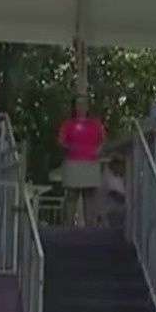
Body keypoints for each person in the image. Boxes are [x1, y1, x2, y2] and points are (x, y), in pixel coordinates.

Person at [57, 95, 105, 227]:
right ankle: (68, 225)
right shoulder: (68, 124)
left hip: (91, 162)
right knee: (72, 194)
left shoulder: (95, 124)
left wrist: (99, 150)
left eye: (84, 104)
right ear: (74, 107)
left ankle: (90, 225)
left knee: (89, 195)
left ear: (88, 107)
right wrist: (69, 147)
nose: (81, 107)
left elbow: (103, 140)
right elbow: (61, 141)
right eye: (78, 104)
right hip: (73, 162)